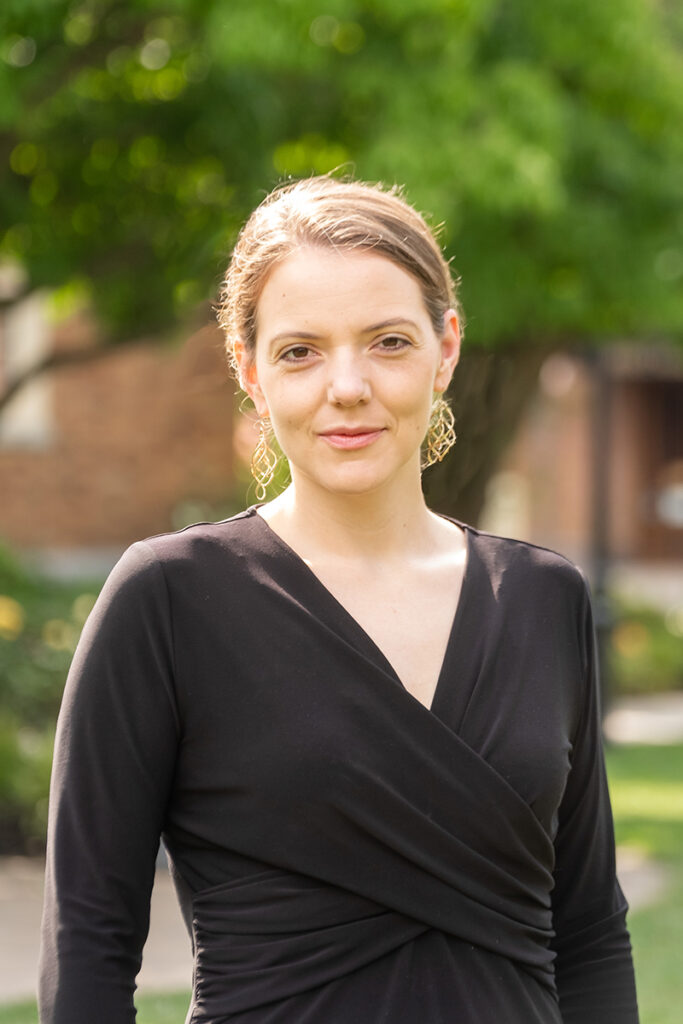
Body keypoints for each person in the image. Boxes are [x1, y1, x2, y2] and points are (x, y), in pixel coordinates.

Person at [38, 175, 639, 1024]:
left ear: (447, 346)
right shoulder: (167, 599)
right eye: (300, 350)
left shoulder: (543, 598)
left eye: (388, 342)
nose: (346, 386)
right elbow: (88, 943)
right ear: (248, 369)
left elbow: (588, 935)